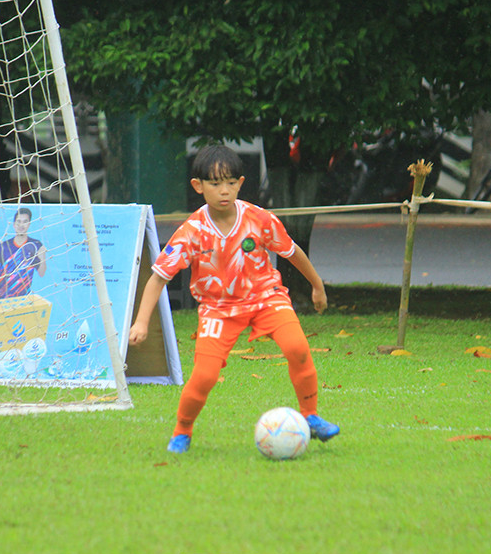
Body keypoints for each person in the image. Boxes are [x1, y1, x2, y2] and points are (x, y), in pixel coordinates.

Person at [128, 144, 340, 453]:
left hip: (266, 296)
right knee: (204, 376)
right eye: (215, 184)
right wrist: (141, 322)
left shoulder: (259, 218)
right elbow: (159, 276)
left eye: (230, 183)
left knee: (297, 347)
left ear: (241, 183)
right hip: (218, 308)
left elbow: (292, 252)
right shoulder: (191, 231)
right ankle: (182, 431)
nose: (224, 191)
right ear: (198, 187)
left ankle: (311, 416)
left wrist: (317, 285)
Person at [0, 206, 45, 299]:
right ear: (14, 224)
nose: (21, 225)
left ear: (29, 224)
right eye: (18, 222)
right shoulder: (3, 247)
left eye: (25, 222)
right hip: (3, 300)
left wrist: (38, 257)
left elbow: (42, 273)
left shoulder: (35, 245)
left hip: (23, 301)